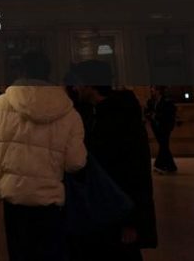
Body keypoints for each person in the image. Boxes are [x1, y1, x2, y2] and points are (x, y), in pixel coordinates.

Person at [0, 51, 86, 261]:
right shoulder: (69, 112)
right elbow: (76, 162)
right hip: (50, 203)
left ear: (21, 71)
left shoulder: (1, 103)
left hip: (14, 200)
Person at [69, 61, 157, 261]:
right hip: (103, 211)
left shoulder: (121, 116)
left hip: (119, 212)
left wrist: (131, 221)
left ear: (89, 84)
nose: (74, 87)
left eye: (77, 82)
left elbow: (137, 170)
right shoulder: (95, 113)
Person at [144, 86, 177, 174]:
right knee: (164, 145)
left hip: (165, 126)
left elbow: (169, 113)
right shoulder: (152, 101)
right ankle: (170, 166)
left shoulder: (167, 101)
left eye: (153, 89)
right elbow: (147, 111)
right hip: (156, 127)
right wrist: (149, 115)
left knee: (163, 145)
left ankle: (160, 165)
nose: (151, 90)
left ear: (158, 91)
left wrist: (156, 116)